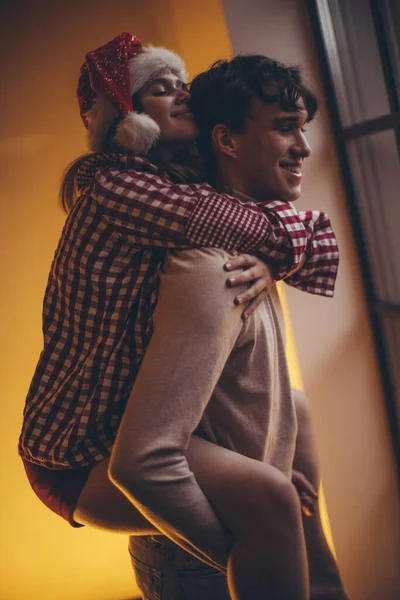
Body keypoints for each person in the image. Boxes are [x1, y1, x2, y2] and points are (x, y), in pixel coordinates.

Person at [17, 33, 344, 599]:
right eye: (160, 90)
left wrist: (276, 260)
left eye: (182, 85)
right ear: (128, 120)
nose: (182, 96)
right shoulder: (117, 188)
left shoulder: (187, 193)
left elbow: (244, 217)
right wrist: (258, 546)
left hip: (118, 429)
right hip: (74, 445)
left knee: (297, 416)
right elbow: (244, 224)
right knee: (272, 502)